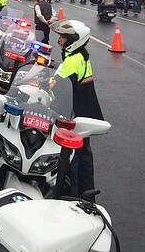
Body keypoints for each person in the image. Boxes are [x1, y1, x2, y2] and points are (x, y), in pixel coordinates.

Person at [50, 20, 104, 202]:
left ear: (74, 41)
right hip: (85, 114)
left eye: (63, 37)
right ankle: (87, 196)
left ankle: (70, 199)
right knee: (84, 156)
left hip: (74, 116)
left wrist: (40, 82)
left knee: (71, 160)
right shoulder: (81, 57)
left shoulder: (72, 62)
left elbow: (55, 87)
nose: (59, 41)